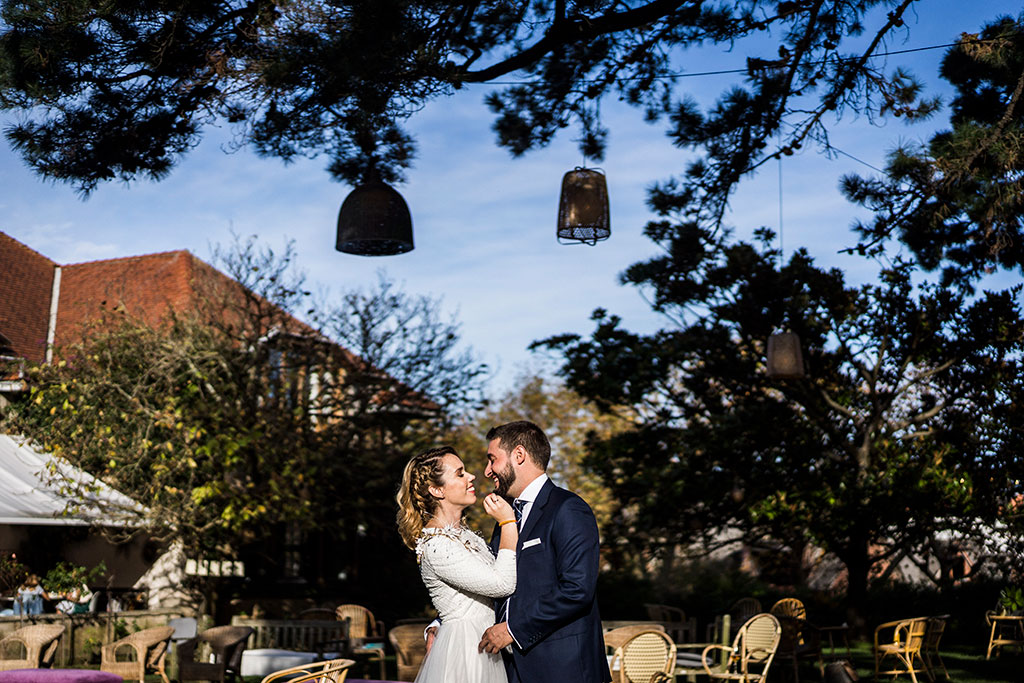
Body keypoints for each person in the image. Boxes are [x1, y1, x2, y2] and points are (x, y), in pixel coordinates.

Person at [477, 420, 611, 683]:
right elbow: (491, 581)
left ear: (519, 455)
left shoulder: (568, 509)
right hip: (509, 668)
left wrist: (513, 630)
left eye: (492, 459)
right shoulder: (504, 518)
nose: (487, 471)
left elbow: (577, 589)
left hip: (563, 669)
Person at [397, 446, 519, 683]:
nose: (471, 476)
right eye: (460, 473)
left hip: (486, 643)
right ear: (437, 490)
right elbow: (502, 584)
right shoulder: (436, 546)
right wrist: (508, 522)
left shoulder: (465, 535)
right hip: (467, 651)